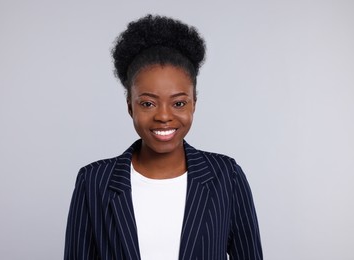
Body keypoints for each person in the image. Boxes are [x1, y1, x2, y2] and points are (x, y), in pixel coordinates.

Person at [64, 14, 263, 260]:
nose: (164, 116)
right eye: (148, 103)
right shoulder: (94, 182)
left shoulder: (226, 177)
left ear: (194, 104)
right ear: (130, 106)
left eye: (179, 103)